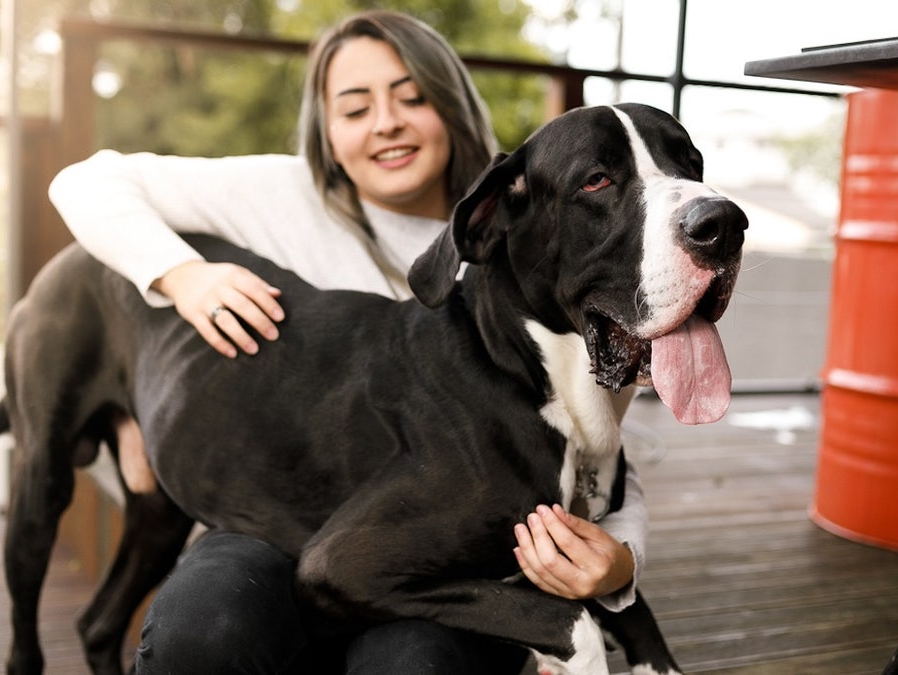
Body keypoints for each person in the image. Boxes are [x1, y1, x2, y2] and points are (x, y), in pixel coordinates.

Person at [49, 10, 645, 674]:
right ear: (327, 132)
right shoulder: (282, 193)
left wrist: (621, 562)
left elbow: (594, 435)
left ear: (452, 104)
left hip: (441, 548)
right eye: (355, 107)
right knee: (202, 627)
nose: (386, 121)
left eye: (412, 97)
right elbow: (86, 181)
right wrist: (180, 276)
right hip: (278, 511)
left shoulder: (522, 216)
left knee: (413, 663)